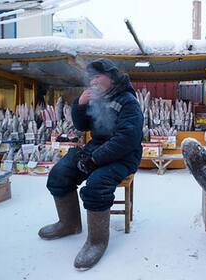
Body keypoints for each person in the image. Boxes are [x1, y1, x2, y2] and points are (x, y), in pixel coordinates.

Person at [38, 58, 143, 270]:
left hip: (124, 155)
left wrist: (95, 159)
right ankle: (69, 224)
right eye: (91, 77)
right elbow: (81, 126)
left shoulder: (128, 102)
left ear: (111, 77)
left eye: (97, 76)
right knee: (59, 174)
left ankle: (97, 241)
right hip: (95, 148)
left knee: (96, 185)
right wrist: (79, 105)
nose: (92, 81)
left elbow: (127, 139)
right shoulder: (96, 99)